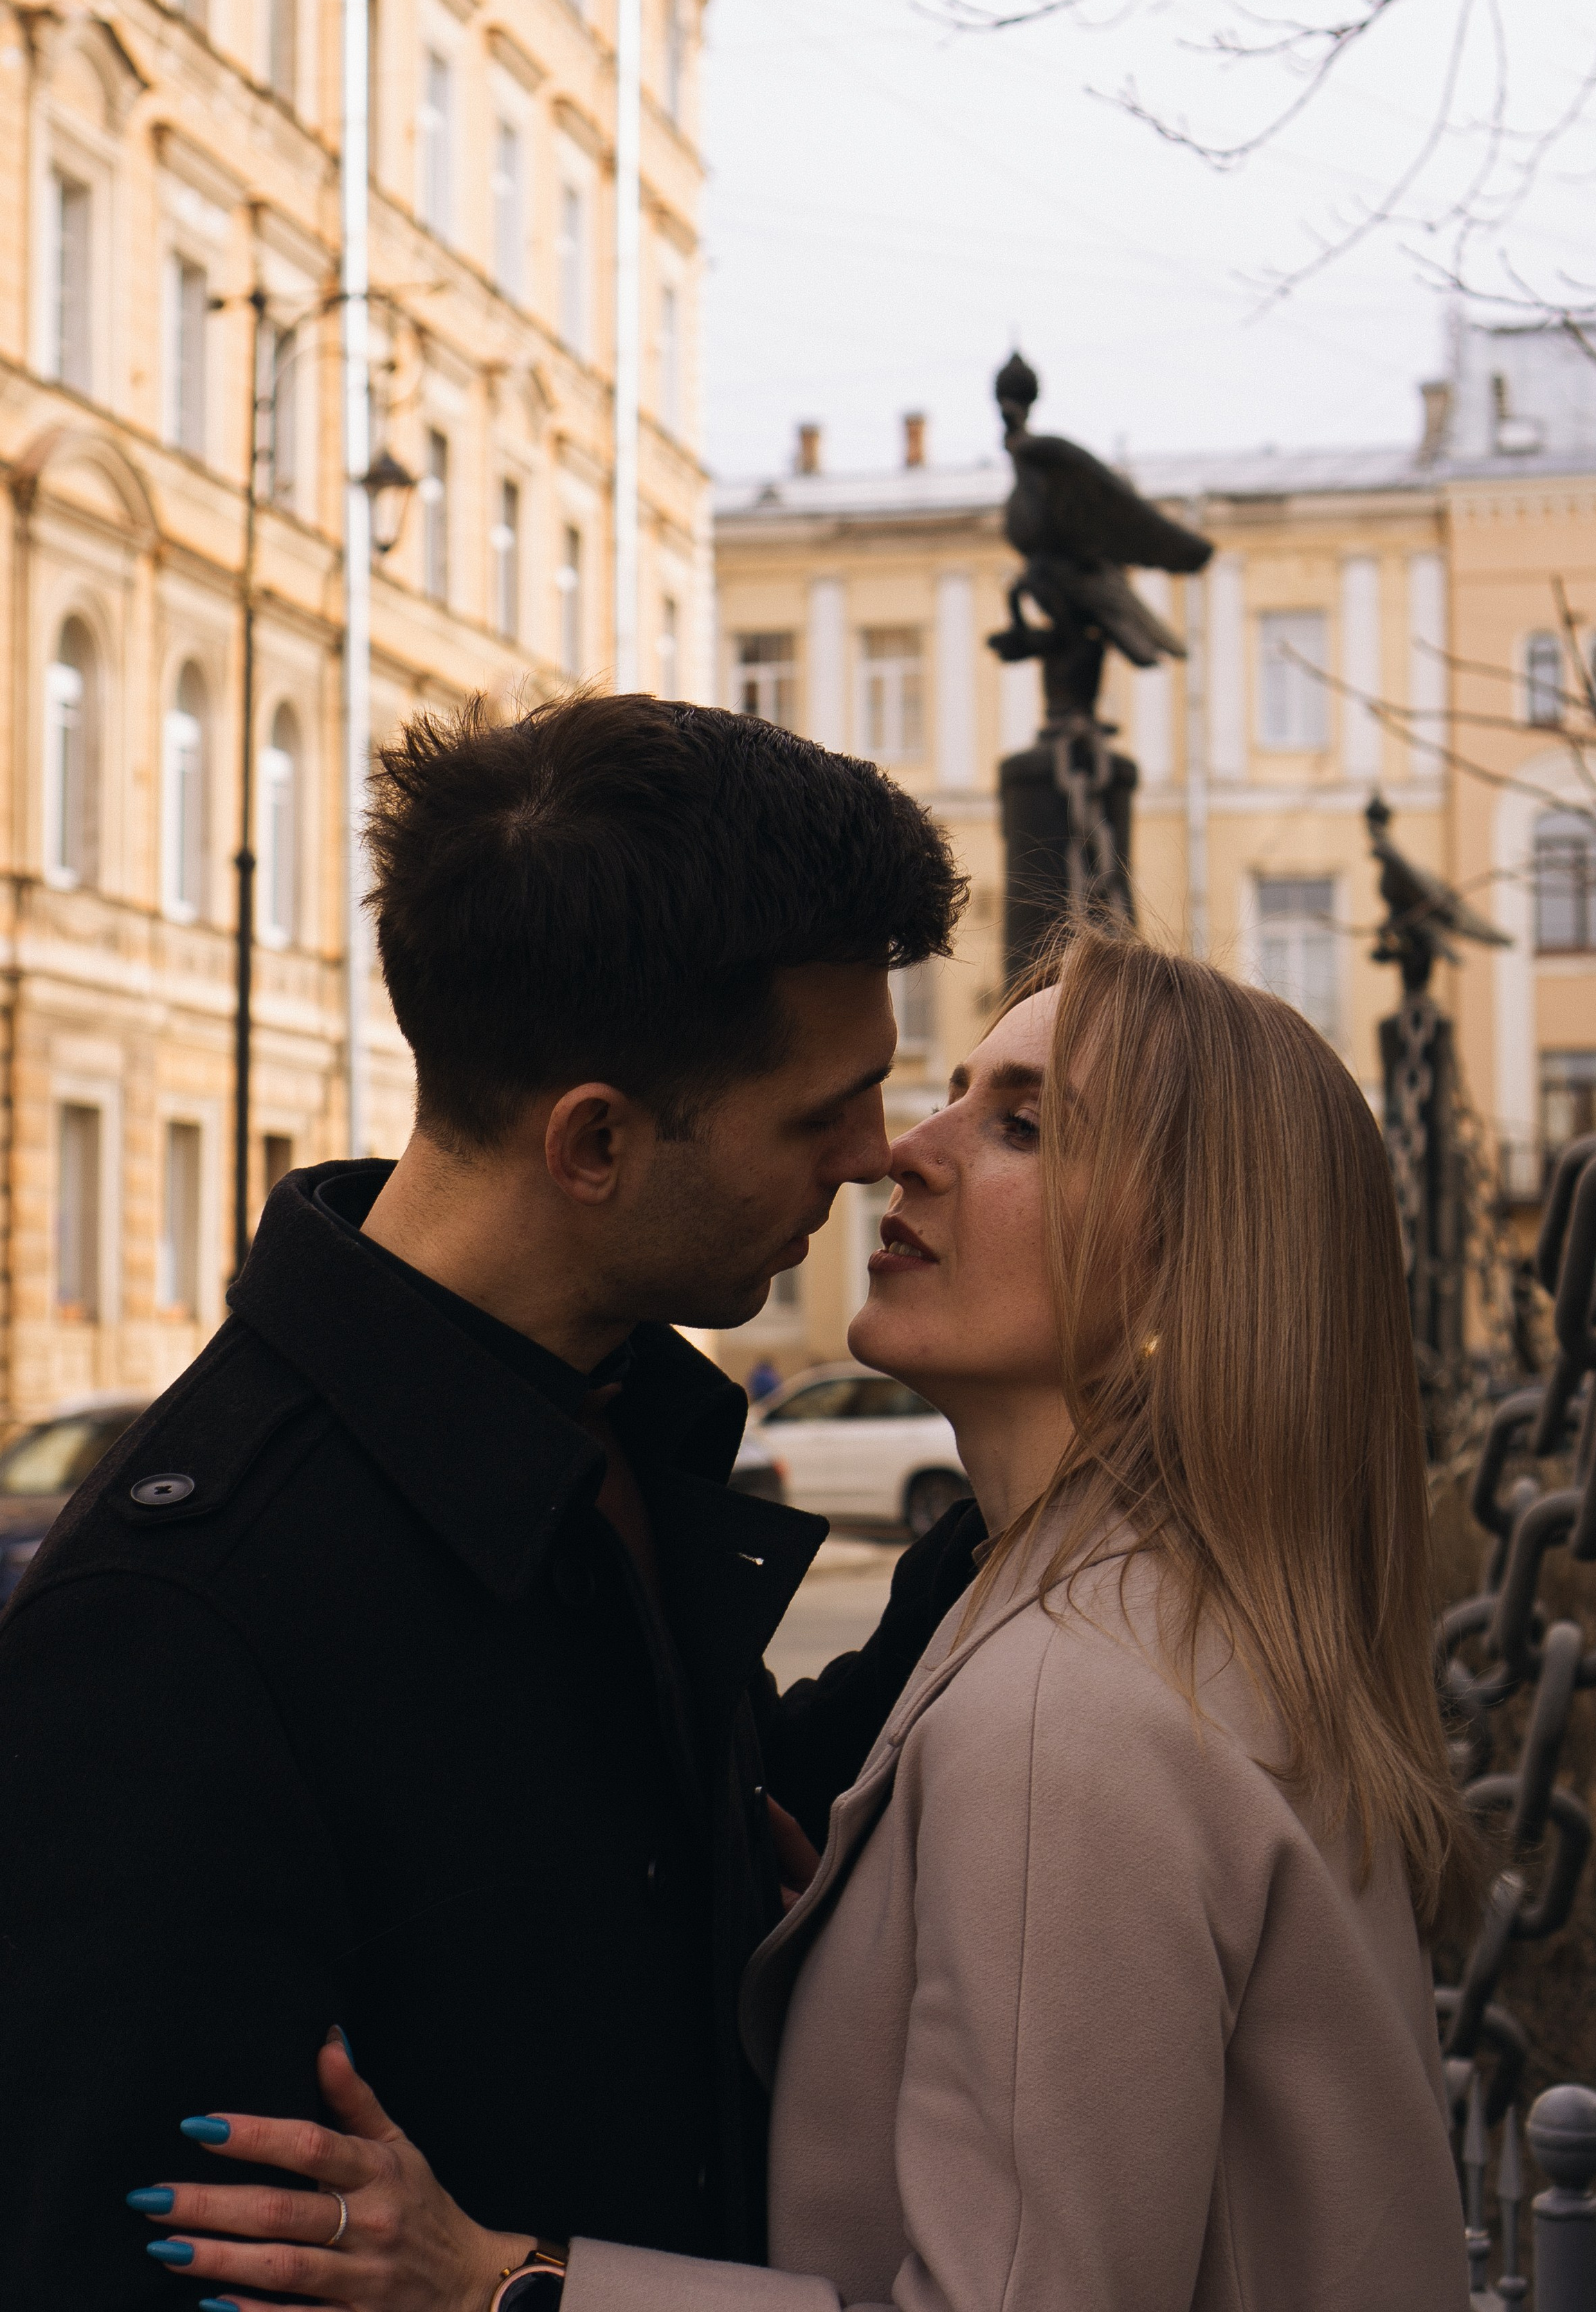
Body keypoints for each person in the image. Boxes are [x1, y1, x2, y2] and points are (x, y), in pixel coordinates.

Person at [135, 926, 1478, 2312]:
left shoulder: (1063, 1721)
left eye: (1020, 1125)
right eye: (955, 1089)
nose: (908, 1149)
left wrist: (502, 2284)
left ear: (1183, 1263)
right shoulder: (1167, 1624)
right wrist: (865, 1944)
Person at [0, 692, 986, 2310]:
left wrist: (1031, 1487)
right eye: (821, 1114)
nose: (875, 1157)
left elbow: (694, 1846)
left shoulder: (604, 1420)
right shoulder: (180, 1624)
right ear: (591, 1142)